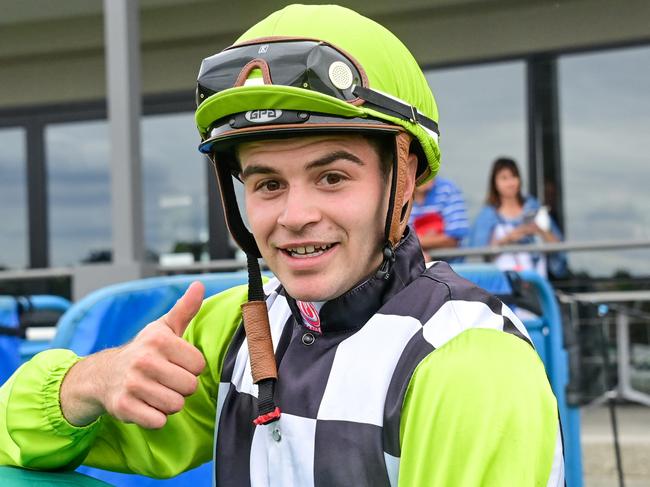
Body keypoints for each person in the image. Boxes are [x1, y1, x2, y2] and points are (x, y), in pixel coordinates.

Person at [0, 5, 564, 486]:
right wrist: (89, 382)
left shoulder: (470, 361)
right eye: (268, 183)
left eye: (332, 178)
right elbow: (13, 438)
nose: (294, 217)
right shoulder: (234, 331)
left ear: (405, 179)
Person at [469, 157, 567, 278]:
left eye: (514, 176)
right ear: (494, 182)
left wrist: (540, 230)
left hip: (536, 282)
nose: (510, 183)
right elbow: (478, 255)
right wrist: (509, 238)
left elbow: (558, 250)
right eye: (504, 178)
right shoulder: (488, 215)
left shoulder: (534, 208)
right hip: (501, 285)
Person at [409, 176, 469, 259]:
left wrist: (413, 242)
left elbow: (453, 239)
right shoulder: (400, 193)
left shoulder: (447, 189)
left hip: (450, 263)